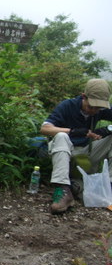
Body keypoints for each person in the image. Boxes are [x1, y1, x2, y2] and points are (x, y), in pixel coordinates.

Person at [40, 79, 112, 214]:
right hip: (65, 153)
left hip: (85, 153)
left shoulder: (100, 110)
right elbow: (45, 128)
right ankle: (63, 189)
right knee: (61, 136)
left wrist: (107, 129)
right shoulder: (68, 105)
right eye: (91, 107)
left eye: (99, 108)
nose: (95, 111)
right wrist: (71, 131)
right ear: (83, 96)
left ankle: (108, 187)